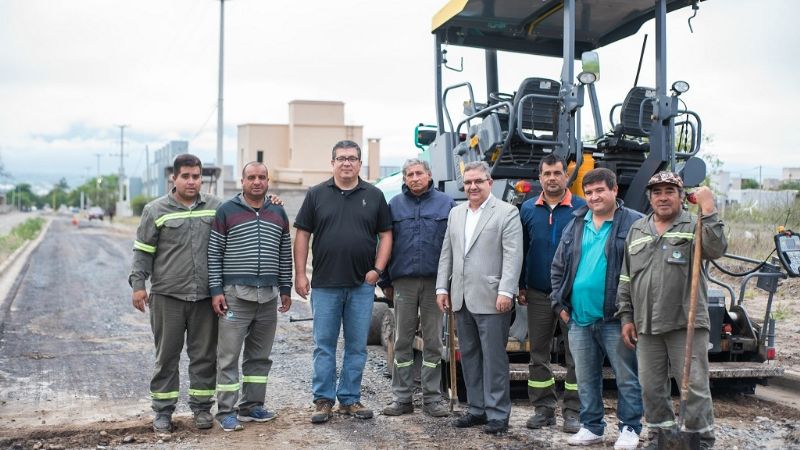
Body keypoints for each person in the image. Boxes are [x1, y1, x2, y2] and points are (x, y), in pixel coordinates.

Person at [616, 172, 726, 450]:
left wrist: (709, 209)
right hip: (646, 324)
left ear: (680, 196)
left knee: (695, 385)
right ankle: (660, 437)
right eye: (657, 192)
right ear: (650, 197)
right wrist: (627, 317)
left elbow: (716, 249)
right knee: (651, 387)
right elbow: (626, 277)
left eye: (669, 191)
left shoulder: (693, 224)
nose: (662, 197)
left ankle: (700, 439)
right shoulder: (638, 230)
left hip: (685, 322)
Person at [293, 140, 393, 424]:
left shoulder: (374, 195)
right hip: (324, 284)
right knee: (323, 344)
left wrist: (378, 269)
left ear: (360, 163)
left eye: (352, 158)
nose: (346, 163)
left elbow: (386, 234)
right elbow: (302, 235)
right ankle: (323, 400)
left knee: (356, 346)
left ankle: (349, 399)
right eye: (341, 158)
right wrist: (301, 274)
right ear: (332, 163)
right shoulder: (316, 195)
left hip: (361, 286)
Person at [549, 168, 643, 448]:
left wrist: (633, 314)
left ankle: (630, 428)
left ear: (615, 191)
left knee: (627, 376)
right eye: (588, 192)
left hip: (616, 318)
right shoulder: (577, 223)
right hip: (579, 317)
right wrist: (558, 303)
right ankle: (592, 427)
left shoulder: (634, 223)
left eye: (600, 190)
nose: (594, 197)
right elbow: (558, 266)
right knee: (586, 379)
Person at [129, 154, 221, 432]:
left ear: (201, 178)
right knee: (167, 355)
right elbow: (143, 250)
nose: (191, 181)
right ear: (174, 178)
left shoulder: (216, 207)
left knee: (204, 355)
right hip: (168, 296)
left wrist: (272, 201)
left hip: (205, 297)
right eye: (186, 176)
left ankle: (202, 409)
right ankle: (163, 412)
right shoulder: (155, 210)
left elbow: (247, 210)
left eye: (196, 176)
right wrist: (138, 285)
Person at [436, 161, 523, 435]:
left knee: (494, 358)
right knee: (470, 356)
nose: (472, 186)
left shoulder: (507, 213)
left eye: (478, 181)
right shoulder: (456, 213)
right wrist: (442, 288)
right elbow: (447, 252)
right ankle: (476, 409)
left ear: (490, 182)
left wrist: (506, 291)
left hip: (492, 298)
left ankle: (498, 413)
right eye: (468, 182)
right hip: (461, 297)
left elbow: (512, 255)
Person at [207, 162, 293, 432]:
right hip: (235, 297)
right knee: (228, 357)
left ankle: (252, 406)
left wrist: (286, 288)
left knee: (259, 357)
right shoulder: (227, 211)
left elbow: (284, 253)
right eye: (251, 177)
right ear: (242, 181)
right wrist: (216, 290)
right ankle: (226, 411)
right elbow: (214, 253)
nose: (257, 181)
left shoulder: (278, 211)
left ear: (268, 180)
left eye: (262, 177)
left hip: (267, 297)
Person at [379, 158, 455, 418]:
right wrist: (385, 281)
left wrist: (450, 283)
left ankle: (432, 399)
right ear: (404, 179)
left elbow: (454, 244)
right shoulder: (394, 206)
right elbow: (384, 243)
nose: (414, 178)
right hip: (404, 283)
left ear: (429, 174)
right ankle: (402, 398)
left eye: (418, 173)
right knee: (402, 340)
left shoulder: (446, 204)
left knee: (433, 342)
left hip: (436, 283)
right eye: (409, 174)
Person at [517, 154, 585, 432]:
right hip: (538, 293)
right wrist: (520, 284)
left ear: (566, 176)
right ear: (540, 177)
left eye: (558, 173)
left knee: (577, 356)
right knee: (538, 354)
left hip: (573, 296)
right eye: (547, 173)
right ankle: (543, 409)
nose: (552, 178)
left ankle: (573, 411)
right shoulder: (527, 209)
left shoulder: (582, 208)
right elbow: (520, 249)